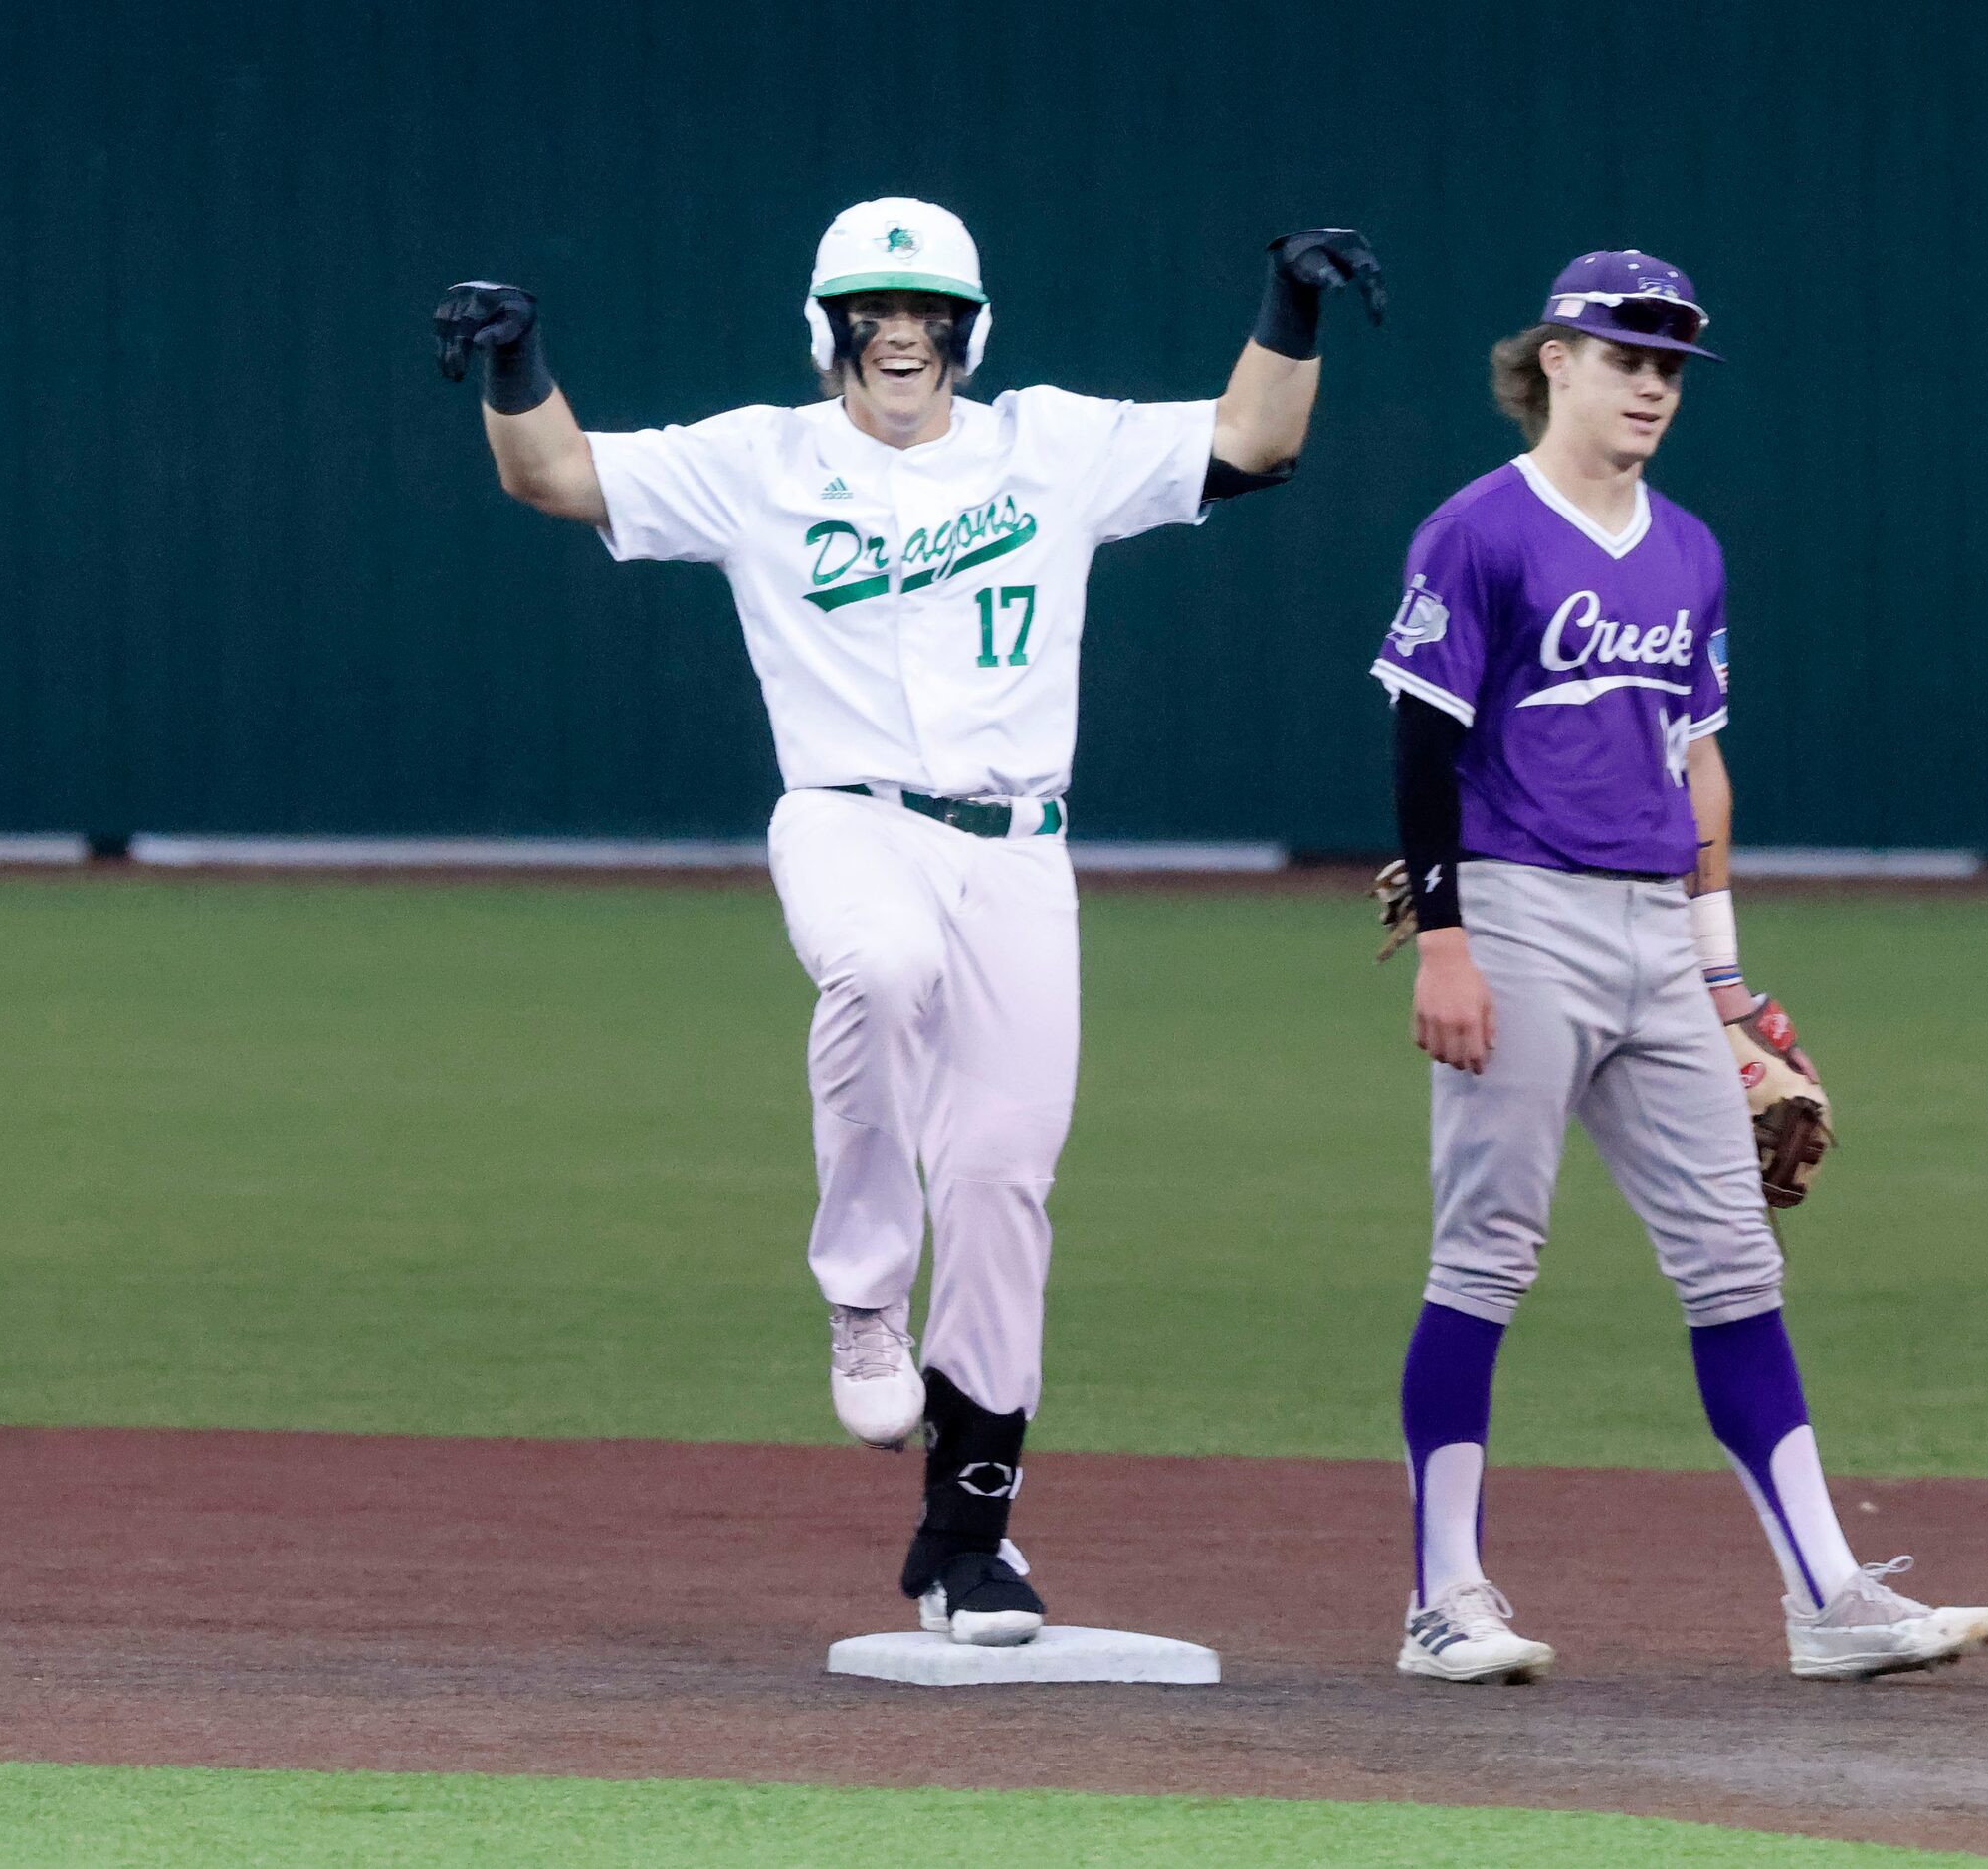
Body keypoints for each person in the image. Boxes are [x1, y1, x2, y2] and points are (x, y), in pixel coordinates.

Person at [435, 198, 1383, 1646]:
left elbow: (1254, 441)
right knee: (878, 966)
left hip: (1018, 848)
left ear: (968, 326)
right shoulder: (758, 461)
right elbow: (555, 473)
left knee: (1003, 1185)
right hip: (847, 812)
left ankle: (966, 1542)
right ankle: (865, 1293)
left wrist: (1290, 310)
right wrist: (517, 362)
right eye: (872, 310)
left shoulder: (1047, 446)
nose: (900, 333)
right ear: (826, 329)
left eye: (926, 310)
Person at [1369, 249, 1988, 1684]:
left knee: (1733, 1259)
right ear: (1552, 362)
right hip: (1517, 913)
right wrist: (1446, 938)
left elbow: (1694, 764)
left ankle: (1825, 1596)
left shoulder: (1689, 548)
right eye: (1624, 357)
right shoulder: (1476, 530)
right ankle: (1441, 1597)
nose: (1651, 384)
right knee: (1485, 1255)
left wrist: (1722, 983)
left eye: (1668, 366)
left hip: (1658, 929)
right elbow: (1417, 742)